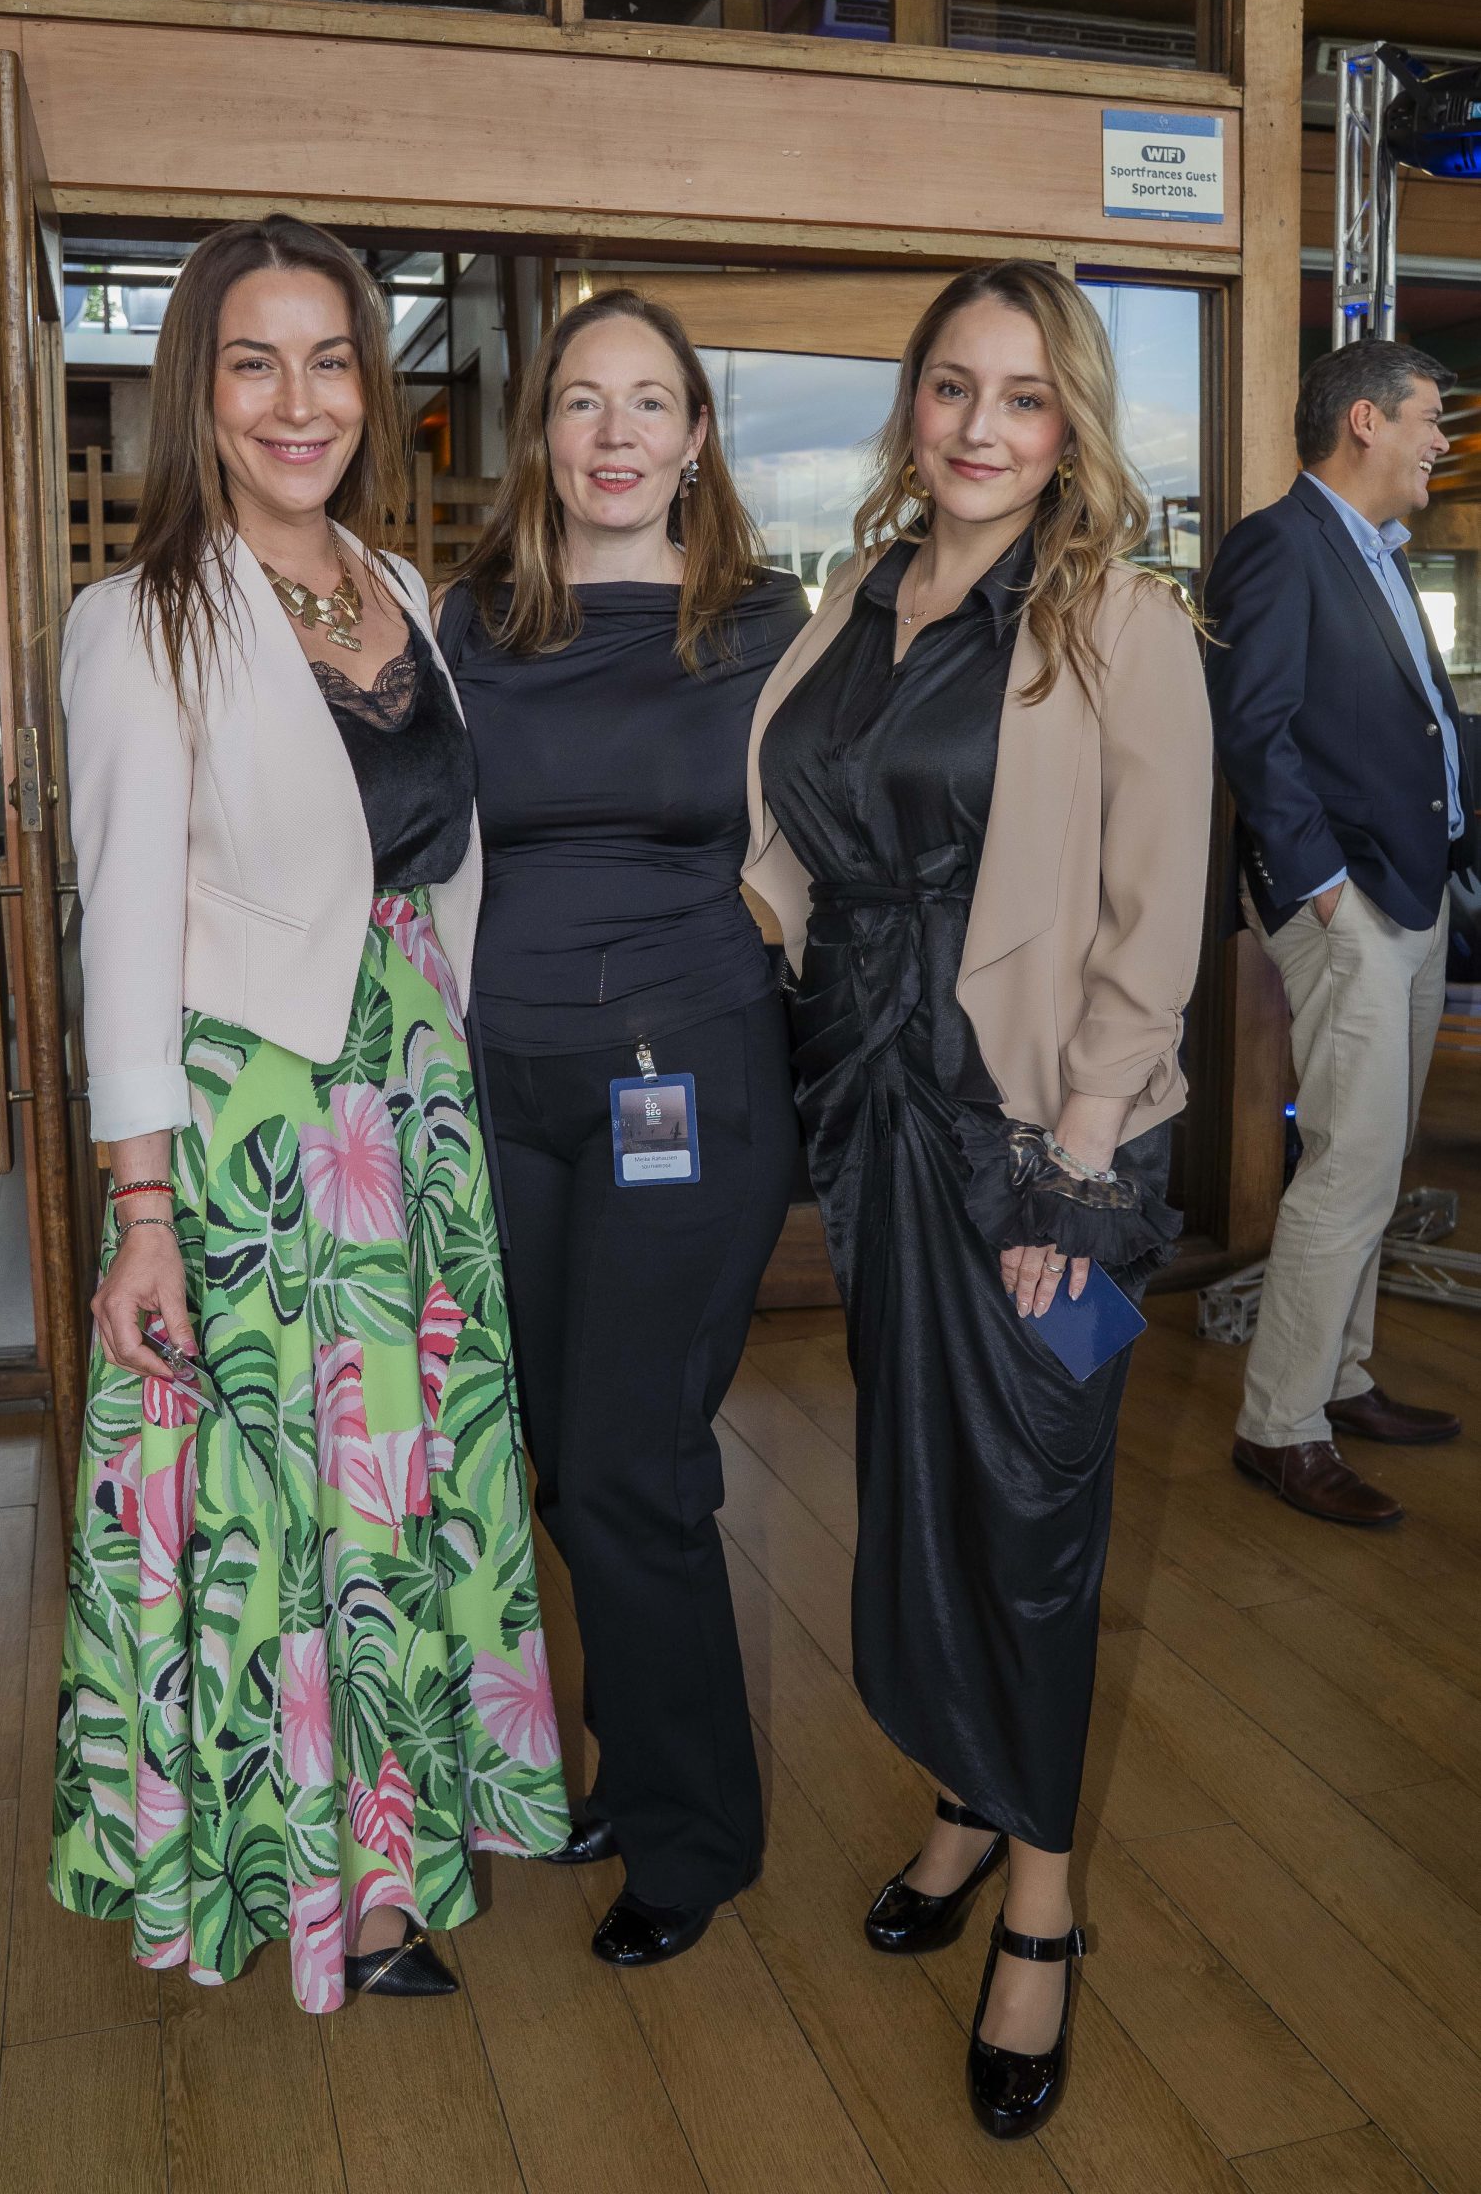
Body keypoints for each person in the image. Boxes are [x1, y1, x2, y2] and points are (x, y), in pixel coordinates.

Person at [50, 216, 567, 2014]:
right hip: (256, 1133)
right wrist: (140, 1214)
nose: (298, 401)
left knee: (402, 1495)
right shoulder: (137, 619)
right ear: (196, 390)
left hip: (411, 1105)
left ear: (371, 382)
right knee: (282, 1518)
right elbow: (122, 925)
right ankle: (308, 1881)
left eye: (330, 359)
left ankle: (397, 1855)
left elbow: (430, 864)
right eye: (253, 362)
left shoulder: (395, 587)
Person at [745, 262, 1210, 2140]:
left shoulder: (1121, 619)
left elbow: (1153, 916)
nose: (980, 427)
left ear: (1068, 421)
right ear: (911, 406)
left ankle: (1038, 1904)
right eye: (951, 387)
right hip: (871, 1112)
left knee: (1035, 1504)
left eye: (1022, 396)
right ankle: (961, 1799)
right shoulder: (857, 596)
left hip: (1044, 1141)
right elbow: (793, 836)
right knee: (926, 1477)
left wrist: (1077, 1160)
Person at [437, 290, 809, 1968]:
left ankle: (690, 1832)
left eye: (648, 402)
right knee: (552, 1453)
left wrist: (762, 920)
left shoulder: (769, 625)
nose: (613, 433)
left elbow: (847, 824)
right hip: (497, 1086)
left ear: (694, 436)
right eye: (581, 401)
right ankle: (636, 1757)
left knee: (626, 1462)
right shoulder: (469, 619)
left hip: (683, 1082)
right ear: (542, 433)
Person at [1206, 339, 1469, 1527]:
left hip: (1414, 893)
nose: (1441, 441)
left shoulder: (1378, 551)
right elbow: (1252, 729)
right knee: (1347, 1169)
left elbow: (1412, 727)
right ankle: (1280, 1426)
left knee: (1376, 1158)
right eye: (1429, 418)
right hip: (1353, 904)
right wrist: (1321, 889)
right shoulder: (1281, 544)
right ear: (1365, 420)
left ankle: (1342, 1377)